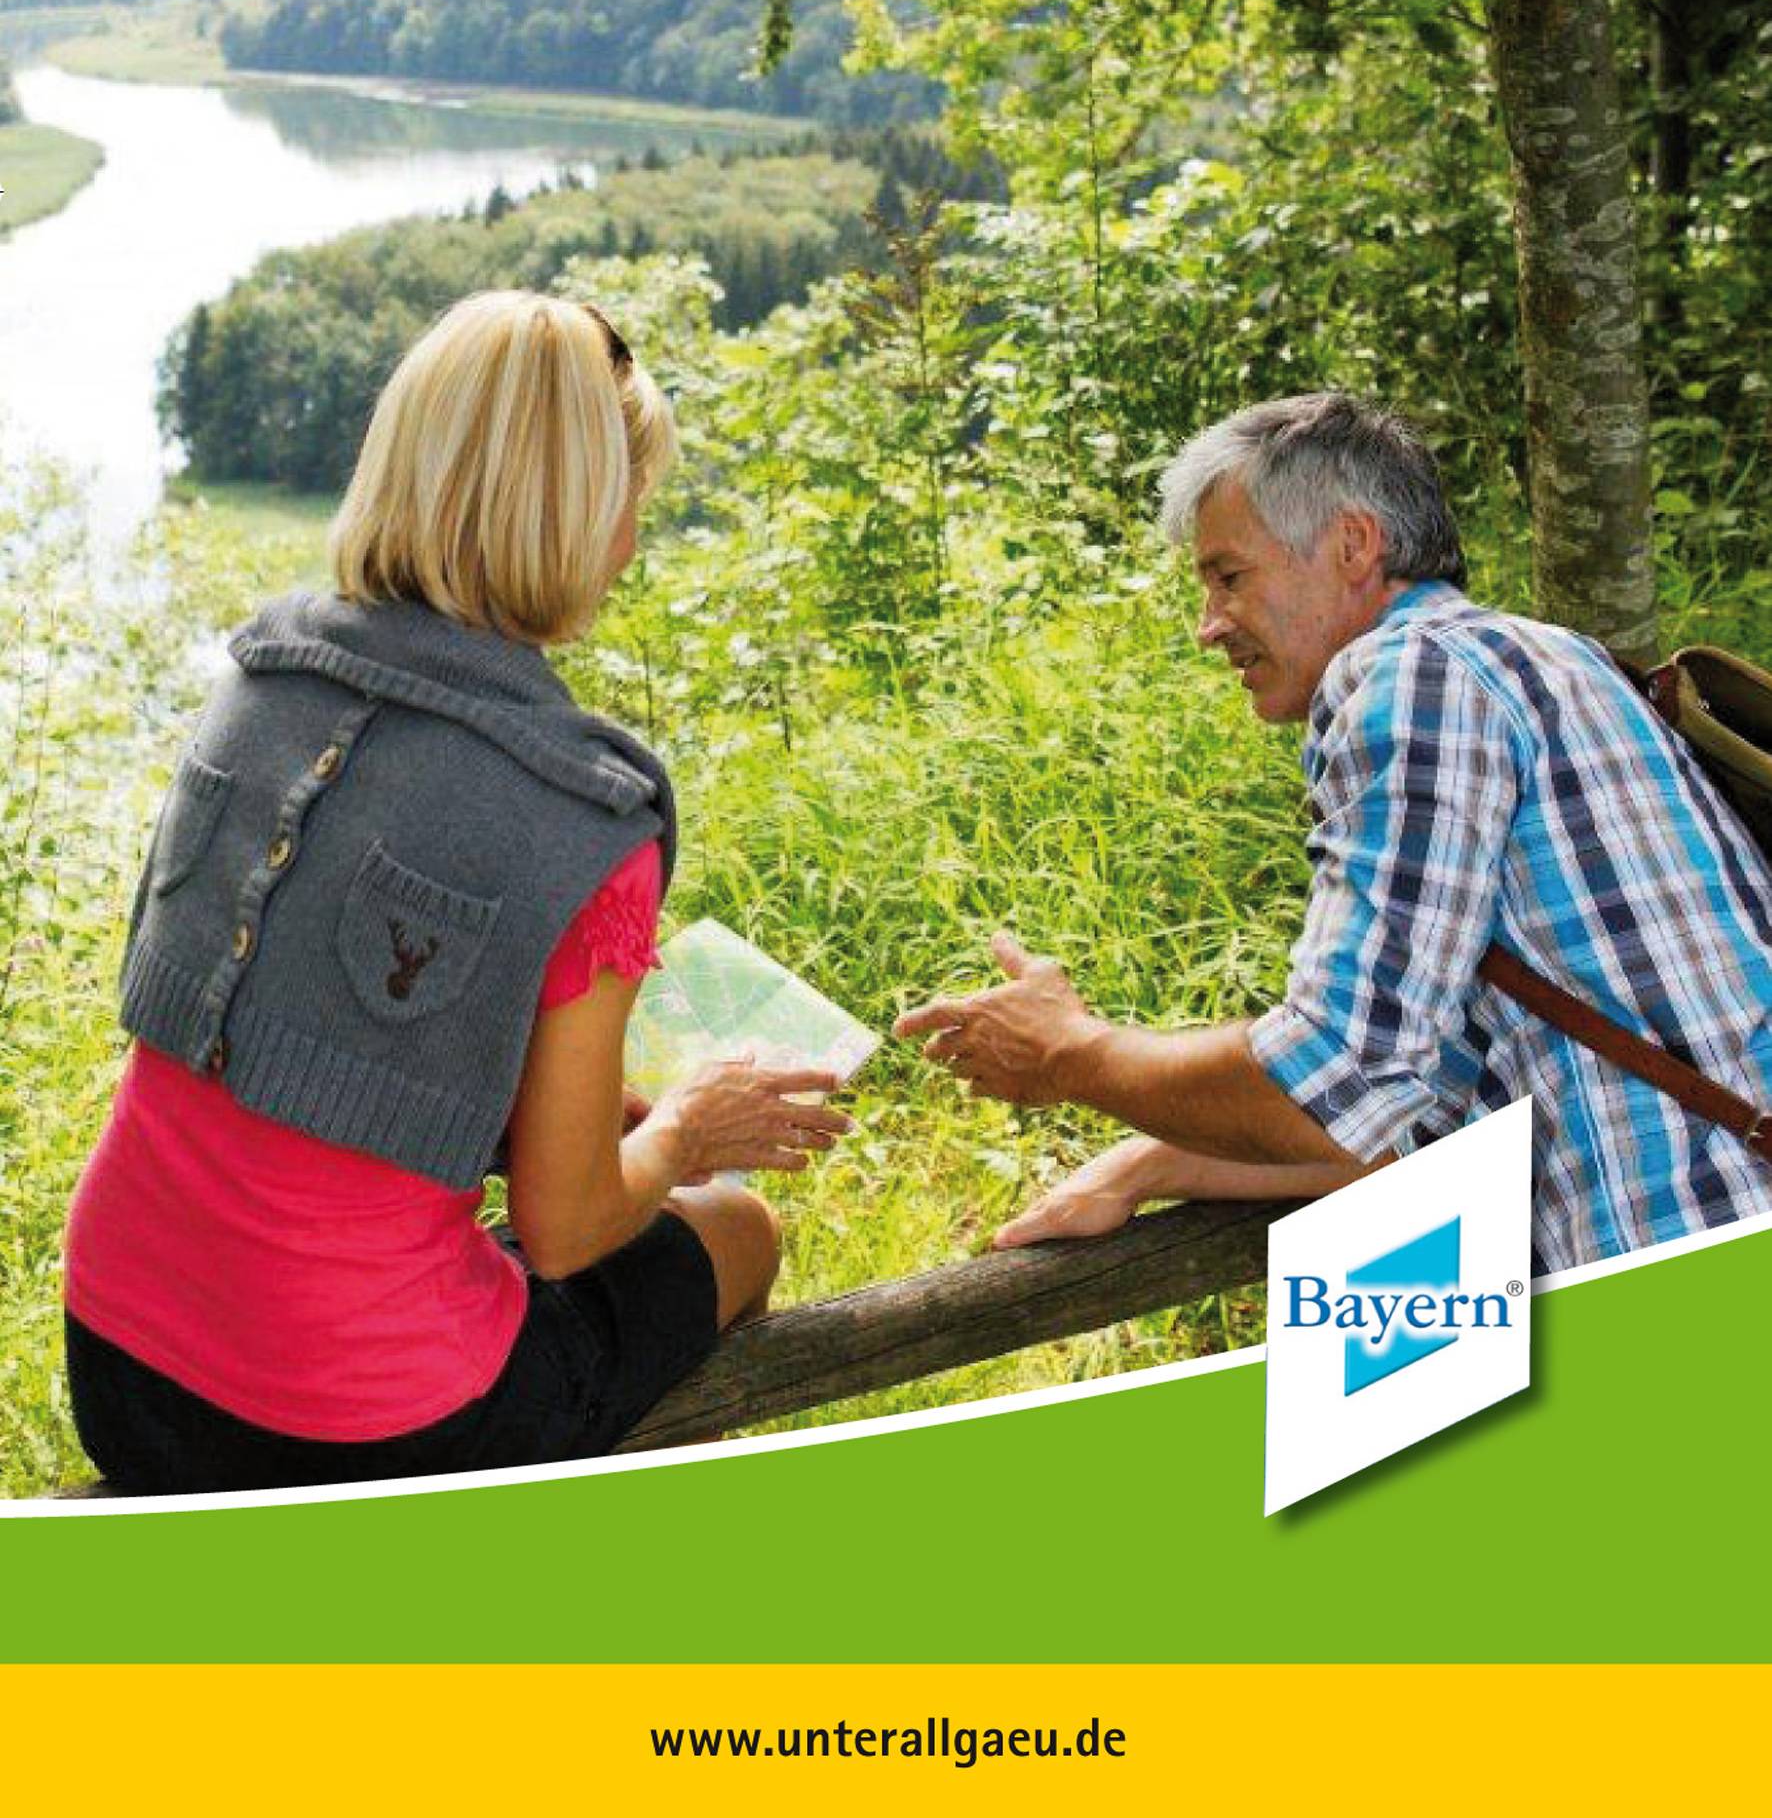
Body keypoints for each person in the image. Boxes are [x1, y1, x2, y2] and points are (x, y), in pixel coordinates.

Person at [64, 290, 849, 1494]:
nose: (633, 539)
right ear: (580, 513)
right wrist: (690, 1128)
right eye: (629, 499)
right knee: (734, 1228)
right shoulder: (584, 816)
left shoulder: (260, 681)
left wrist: (606, 1113)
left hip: (118, 1359)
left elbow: (322, 1023)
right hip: (355, 1426)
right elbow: (567, 1225)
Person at [899, 390, 1772, 1273]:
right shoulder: (1552, 655)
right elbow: (1407, 1102)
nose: (1208, 626)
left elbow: (1336, 1070)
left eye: (1228, 576)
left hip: (1689, 1264)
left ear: (1354, 545)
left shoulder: (1407, 676)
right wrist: (1155, 1162)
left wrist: (1068, 1056)